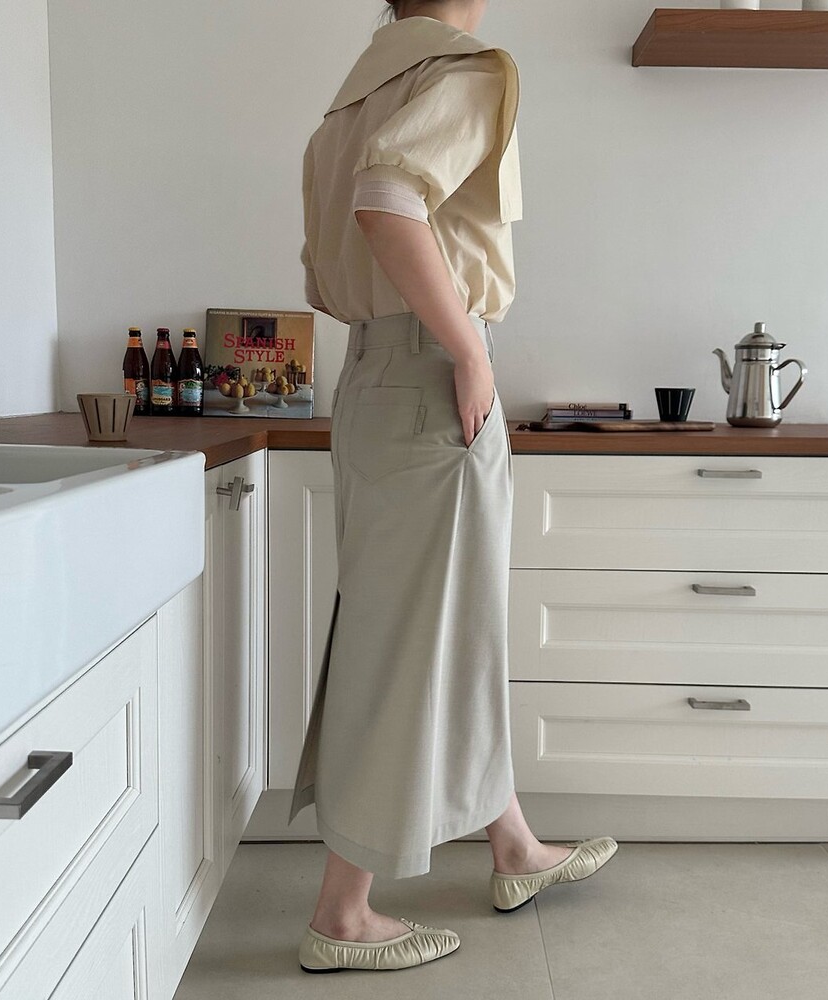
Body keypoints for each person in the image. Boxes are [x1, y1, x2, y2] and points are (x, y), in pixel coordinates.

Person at [290, 0, 618, 974]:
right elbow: (386, 201)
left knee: (436, 624)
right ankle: (342, 913)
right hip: (433, 373)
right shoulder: (467, 70)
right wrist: (469, 353)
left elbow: (343, 240)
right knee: (413, 639)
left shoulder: (357, 91)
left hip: (373, 374)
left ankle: (512, 845)